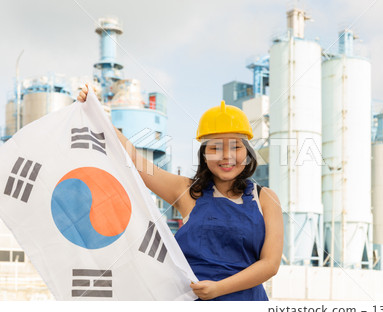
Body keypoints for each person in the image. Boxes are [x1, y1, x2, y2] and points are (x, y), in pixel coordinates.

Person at [78, 84, 283, 300]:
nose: (226, 156)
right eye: (215, 148)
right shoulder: (186, 191)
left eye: (235, 147)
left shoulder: (265, 199)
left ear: (248, 152)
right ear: (204, 155)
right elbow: (136, 162)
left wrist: (218, 288)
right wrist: (99, 115)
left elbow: (270, 264)